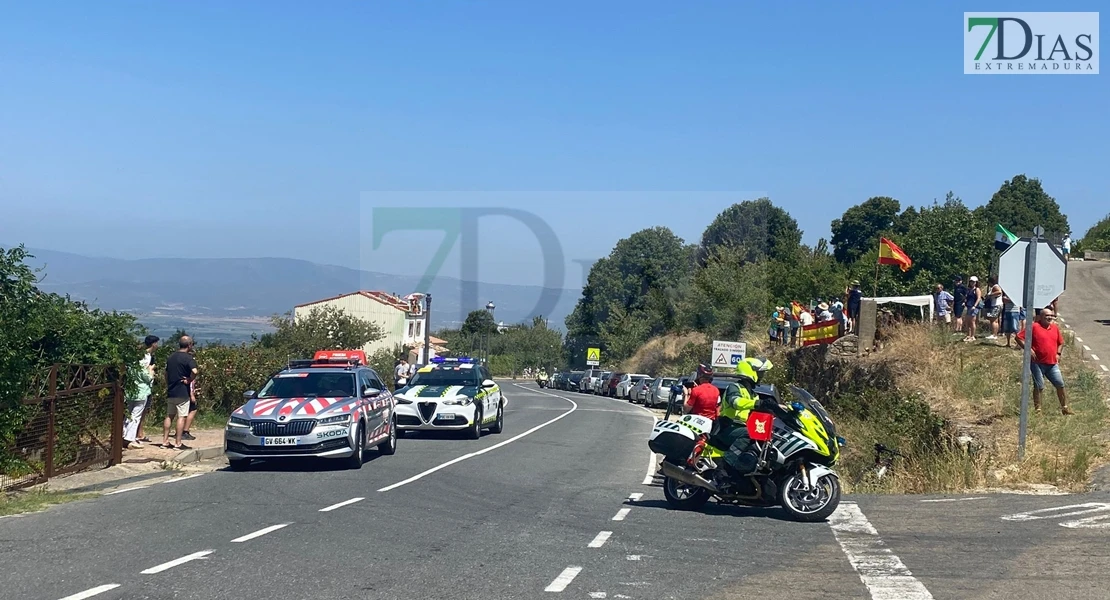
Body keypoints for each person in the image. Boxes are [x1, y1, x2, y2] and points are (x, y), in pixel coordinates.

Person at [1015, 308, 1073, 415]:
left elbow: (1061, 343)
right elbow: (1018, 337)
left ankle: (1065, 408)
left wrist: (1058, 354)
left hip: (1052, 364)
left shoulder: (1055, 328)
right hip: (1037, 363)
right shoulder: (1034, 327)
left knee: (1060, 384)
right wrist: (1028, 348)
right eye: (1047, 315)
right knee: (1039, 386)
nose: (1049, 317)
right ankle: (1038, 410)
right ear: (1041, 317)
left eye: (1051, 315)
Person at [163, 336, 198, 449]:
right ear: (189, 345)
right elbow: (195, 371)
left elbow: (166, 374)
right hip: (182, 391)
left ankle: (165, 441)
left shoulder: (171, 357)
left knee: (169, 416)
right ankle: (178, 443)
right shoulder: (188, 358)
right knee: (181, 417)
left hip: (171, 390)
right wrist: (189, 380)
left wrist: (168, 383)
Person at [134, 335, 159, 443]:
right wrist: (151, 371)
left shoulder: (149, 355)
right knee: (140, 411)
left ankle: (140, 432)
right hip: (143, 385)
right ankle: (137, 434)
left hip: (146, 386)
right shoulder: (146, 357)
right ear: (153, 344)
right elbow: (144, 370)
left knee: (144, 411)